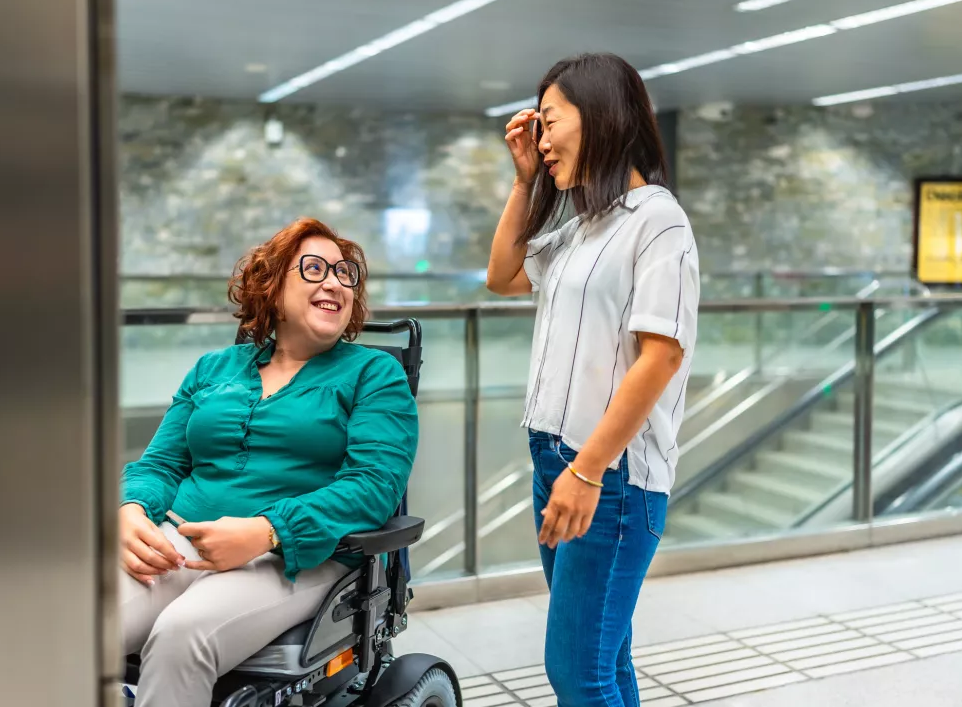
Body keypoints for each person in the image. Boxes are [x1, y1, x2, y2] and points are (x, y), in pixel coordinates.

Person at [119, 218, 418, 707]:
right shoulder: (213, 368)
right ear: (272, 286)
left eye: (345, 274)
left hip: (294, 558)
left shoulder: (374, 373)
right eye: (315, 268)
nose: (334, 282)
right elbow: (161, 464)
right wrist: (130, 510)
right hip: (178, 539)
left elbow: (374, 485)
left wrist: (266, 531)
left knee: (182, 634)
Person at [486, 53, 700, 707]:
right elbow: (502, 275)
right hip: (554, 458)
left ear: (602, 114)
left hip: (609, 476)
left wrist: (586, 472)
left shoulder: (658, 219)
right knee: (606, 659)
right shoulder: (584, 227)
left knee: (577, 672)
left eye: (551, 122)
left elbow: (660, 356)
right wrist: (525, 182)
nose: (542, 140)